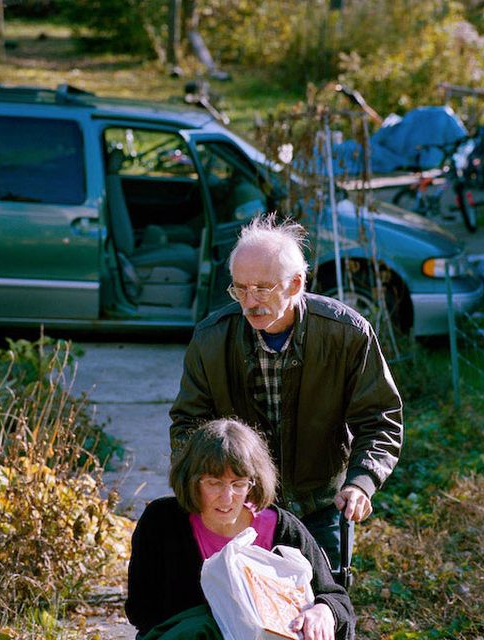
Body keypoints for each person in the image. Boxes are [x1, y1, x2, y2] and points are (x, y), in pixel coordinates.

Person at [169, 214, 403, 569]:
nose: (249, 301)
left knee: (322, 608)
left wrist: (361, 482)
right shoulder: (212, 338)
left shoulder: (347, 333)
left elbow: (380, 418)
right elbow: (189, 424)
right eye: (240, 289)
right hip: (239, 507)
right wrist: (210, 492)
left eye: (262, 288)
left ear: (295, 285)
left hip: (320, 504)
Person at [126, 418, 354, 640]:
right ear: (192, 480)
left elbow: (337, 599)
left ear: (253, 483)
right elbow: (142, 613)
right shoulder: (162, 522)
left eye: (238, 484)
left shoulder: (281, 528)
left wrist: (325, 611)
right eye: (214, 483)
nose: (227, 498)